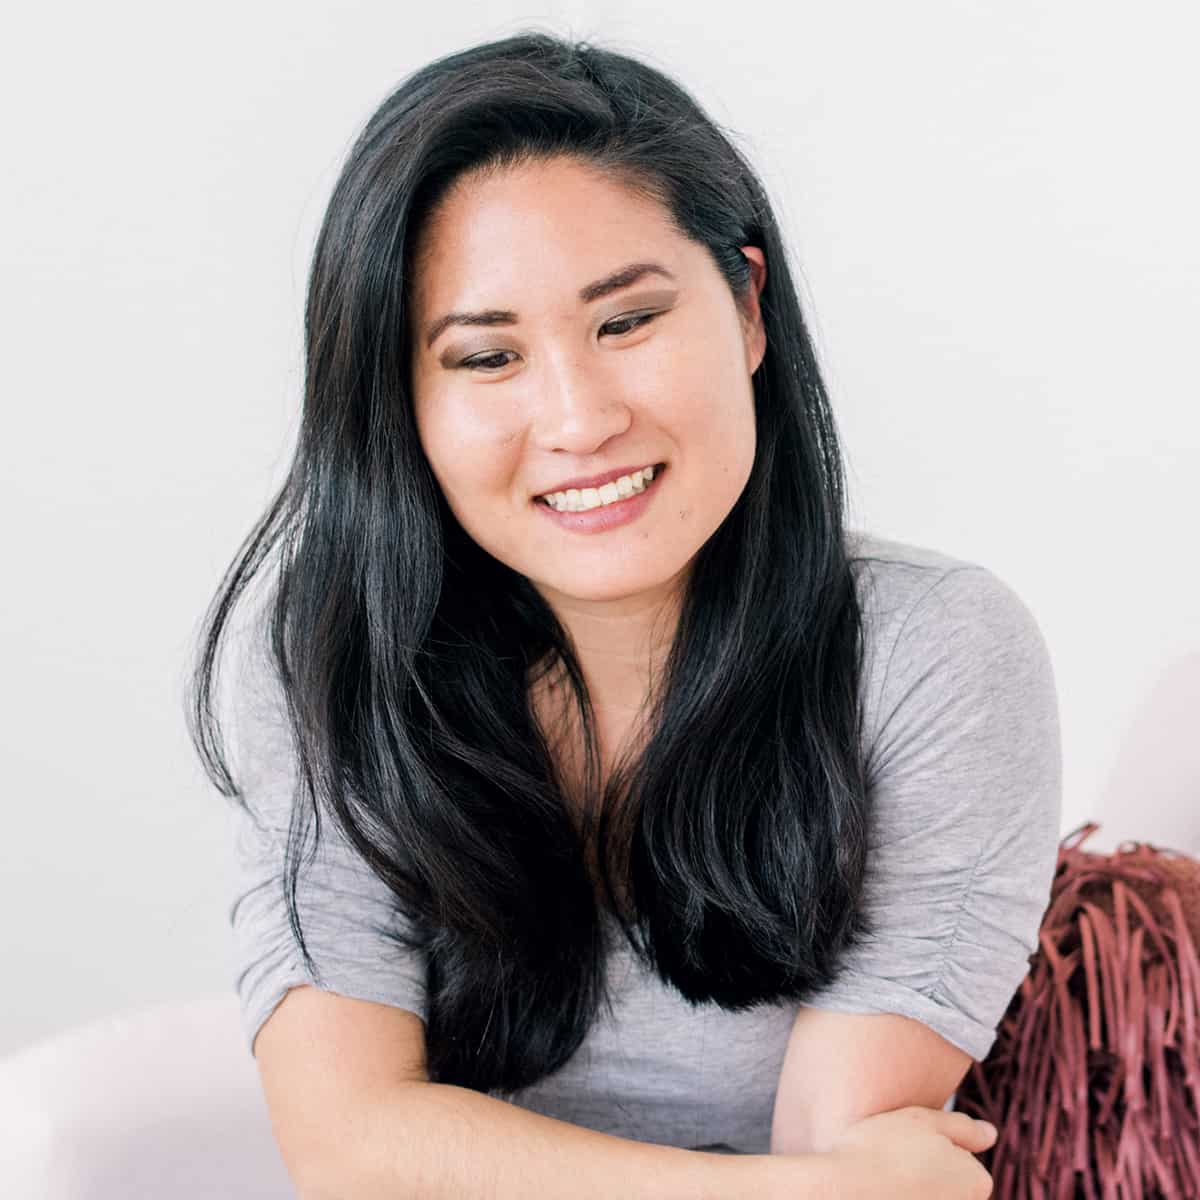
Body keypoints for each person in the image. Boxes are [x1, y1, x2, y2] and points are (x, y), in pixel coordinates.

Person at [186, 29, 1060, 1199]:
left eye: (627, 322)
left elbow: (839, 1144)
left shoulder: (935, 654)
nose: (579, 420)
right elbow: (349, 1148)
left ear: (747, 310)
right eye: (486, 357)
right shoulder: (331, 657)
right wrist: (780, 1194)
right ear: (403, 400)